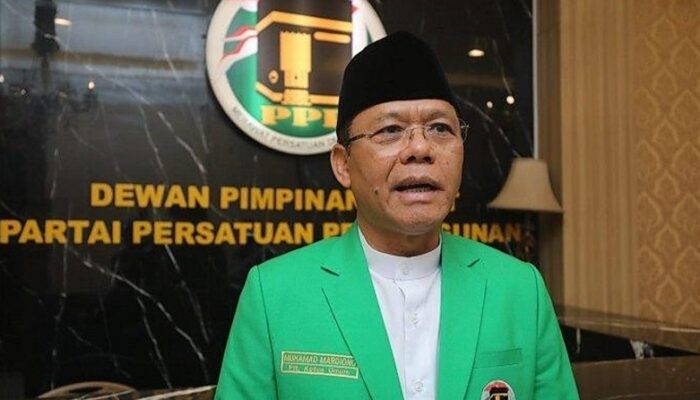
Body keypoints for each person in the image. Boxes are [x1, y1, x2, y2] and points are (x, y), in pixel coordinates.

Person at [215, 31, 579, 399]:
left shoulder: (519, 290)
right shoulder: (275, 294)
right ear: (343, 164)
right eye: (390, 130)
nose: (420, 148)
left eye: (440, 128)